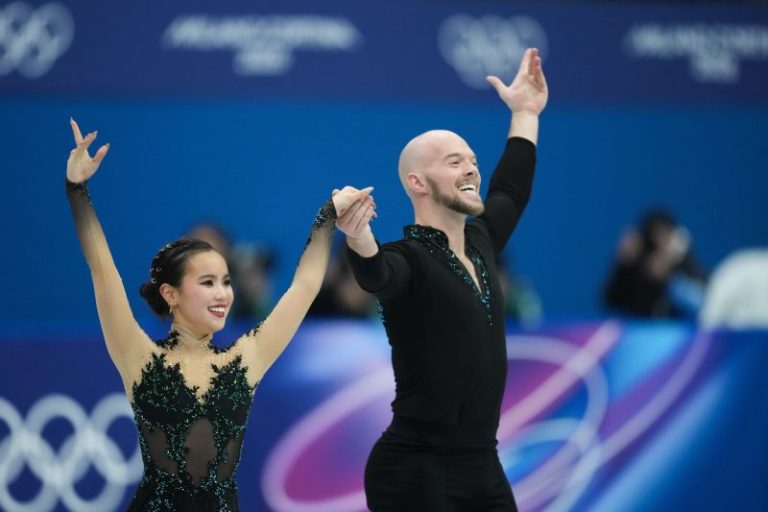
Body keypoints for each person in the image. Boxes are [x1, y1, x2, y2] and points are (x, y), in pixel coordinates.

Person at [64, 118, 375, 511]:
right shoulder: (138, 357)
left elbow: (304, 286)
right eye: (207, 282)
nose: (223, 294)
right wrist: (77, 189)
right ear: (170, 293)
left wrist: (328, 215)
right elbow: (101, 266)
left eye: (226, 282)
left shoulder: (245, 360)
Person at [336, 48, 547, 511]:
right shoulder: (406, 258)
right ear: (418, 183)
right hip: (413, 469)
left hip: (481, 464)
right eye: (455, 162)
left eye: (472, 159)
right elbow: (377, 276)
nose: (471, 168)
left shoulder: (482, 240)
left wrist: (525, 114)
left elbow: (511, 188)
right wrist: (358, 237)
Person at [602, 209, 707, 318]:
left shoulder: (682, 262)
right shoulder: (634, 265)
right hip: (639, 329)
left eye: (665, 235)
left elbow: (702, 303)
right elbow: (610, 302)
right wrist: (623, 265)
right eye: (655, 235)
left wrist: (670, 277)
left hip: (678, 330)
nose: (659, 242)